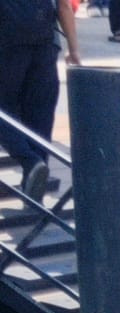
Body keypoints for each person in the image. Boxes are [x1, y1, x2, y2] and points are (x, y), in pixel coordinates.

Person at [1, 0, 79, 203]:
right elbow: (64, 6)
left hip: (8, 43)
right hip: (44, 41)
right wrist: (74, 49)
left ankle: (31, 163)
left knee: (4, 111)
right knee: (40, 115)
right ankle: (35, 188)